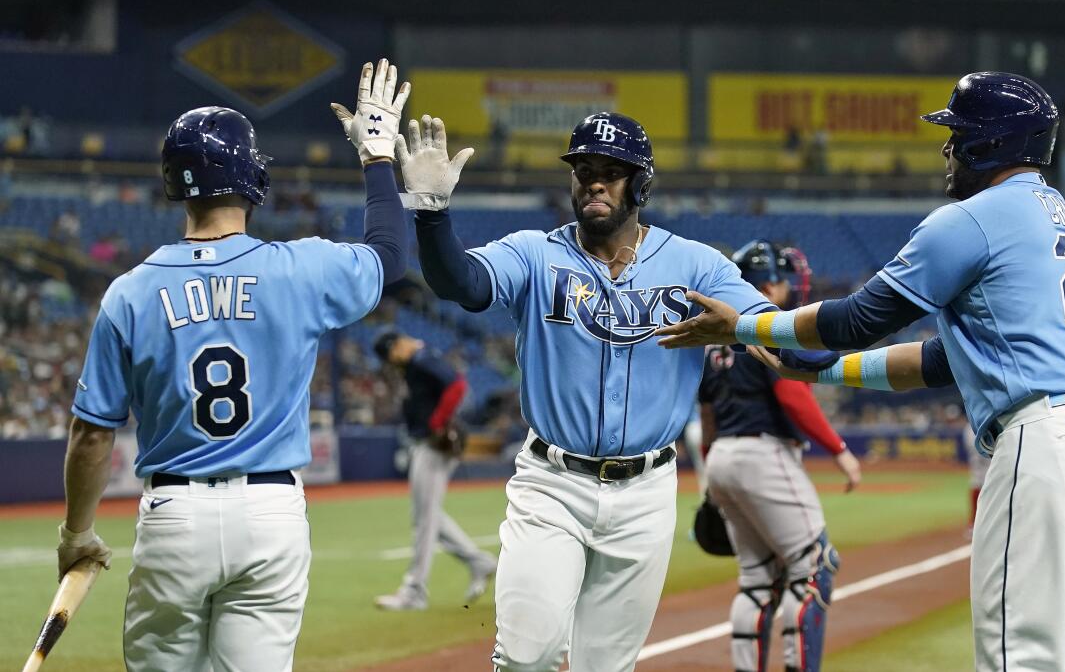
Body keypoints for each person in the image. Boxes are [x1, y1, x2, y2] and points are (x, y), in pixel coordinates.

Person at [656, 72, 1065, 672]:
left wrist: (746, 327)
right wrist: (823, 375)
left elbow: (857, 318)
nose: (947, 149)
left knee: (1016, 659)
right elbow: (940, 359)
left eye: (957, 134)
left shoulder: (973, 220)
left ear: (988, 144)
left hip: (1051, 443)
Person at [56, 59, 412, 671]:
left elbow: (93, 434)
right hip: (270, 514)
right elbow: (390, 256)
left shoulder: (130, 292)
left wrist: (76, 534)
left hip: (174, 516)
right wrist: (378, 160)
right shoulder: (301, 268)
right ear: (253, 178)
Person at [393, 110, 776, 672]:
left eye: (612, 171)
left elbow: (775, 329)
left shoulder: (696, 265)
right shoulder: (533, 253)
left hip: (647, 492)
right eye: (583, 169)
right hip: (552, 484)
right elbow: (462, 284)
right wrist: (431, 214)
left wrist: (754, 328)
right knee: (527, 658)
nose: (594, 180)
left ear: (641, 183)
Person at [698, 239, 861, 672]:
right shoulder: (765, 324)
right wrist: (839, 450)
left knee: (756, 583)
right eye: (780, 282)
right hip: (763, 452)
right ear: (767, 287)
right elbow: (791, 393)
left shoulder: (714, 339)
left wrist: (712, 481)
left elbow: (707, 415)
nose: (787, 289)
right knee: (815, 568)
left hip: (721, 458)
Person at [372, 329, 498, 610]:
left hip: (433, 444)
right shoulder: (418, 359)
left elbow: (457, 386)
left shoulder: (421, 358)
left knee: (424, 520)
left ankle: (415, 591)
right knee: (426, 515)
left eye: (390, 355)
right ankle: (479, 562)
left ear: (395, 348)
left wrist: (438, 422)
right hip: (426, 443)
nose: (391, 362)